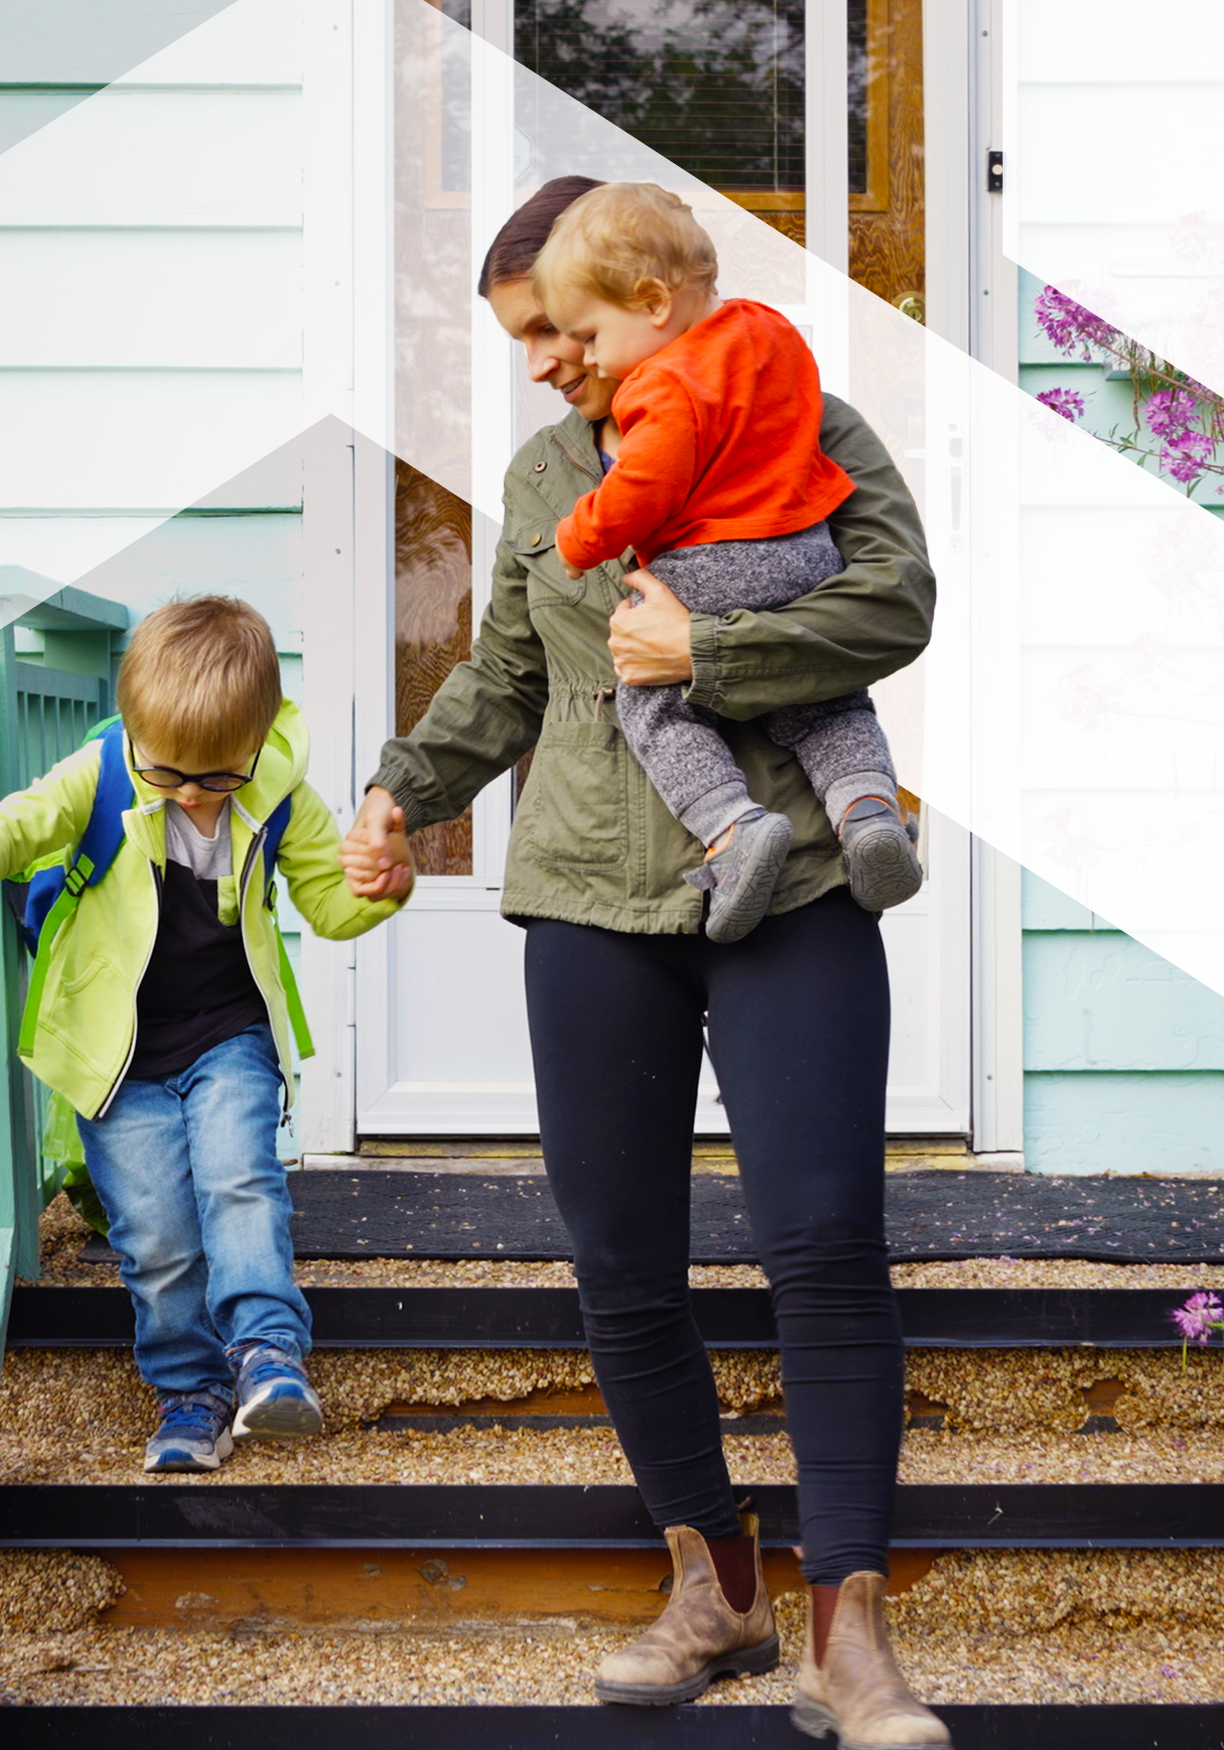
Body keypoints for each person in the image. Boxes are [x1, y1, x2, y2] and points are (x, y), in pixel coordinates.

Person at [339, 176, 949, 1745]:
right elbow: (503, 679)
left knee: (820, 1239)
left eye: (552, 326)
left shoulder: (787, 406)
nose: (540, 358)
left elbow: (894, 601)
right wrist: (401, 794)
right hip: (594, 899)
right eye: (519, 338)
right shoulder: (549, 468)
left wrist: (714, 654)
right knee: (623, 1266)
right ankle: (714, 1586)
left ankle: (851, 1632)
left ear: (626, 292)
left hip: (792, 883)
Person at [0, 595, 409, 1474]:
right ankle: (189, 1391)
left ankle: (268, 1356)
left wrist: (382, 889)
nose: (193, 794)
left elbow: (329, 905)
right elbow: (6, 831)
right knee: (154, 1233)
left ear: (258, 740)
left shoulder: (277, 794)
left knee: (240, 1182)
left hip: (229, 1030)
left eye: (217, 778)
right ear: (134, 730)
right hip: (116, 1051)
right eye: (170, 775)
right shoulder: (102, 775)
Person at [530, 179, 921, 942]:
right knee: (828, 705)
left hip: (715, 561)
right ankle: (868, 809)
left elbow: (645, 487)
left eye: (589, 335)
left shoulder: (663, 385)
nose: (586, 356)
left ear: (650, 303)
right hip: (807, 552)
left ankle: (732, 829)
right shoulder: (770, 333)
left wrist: (580, 537)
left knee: (651, 698)